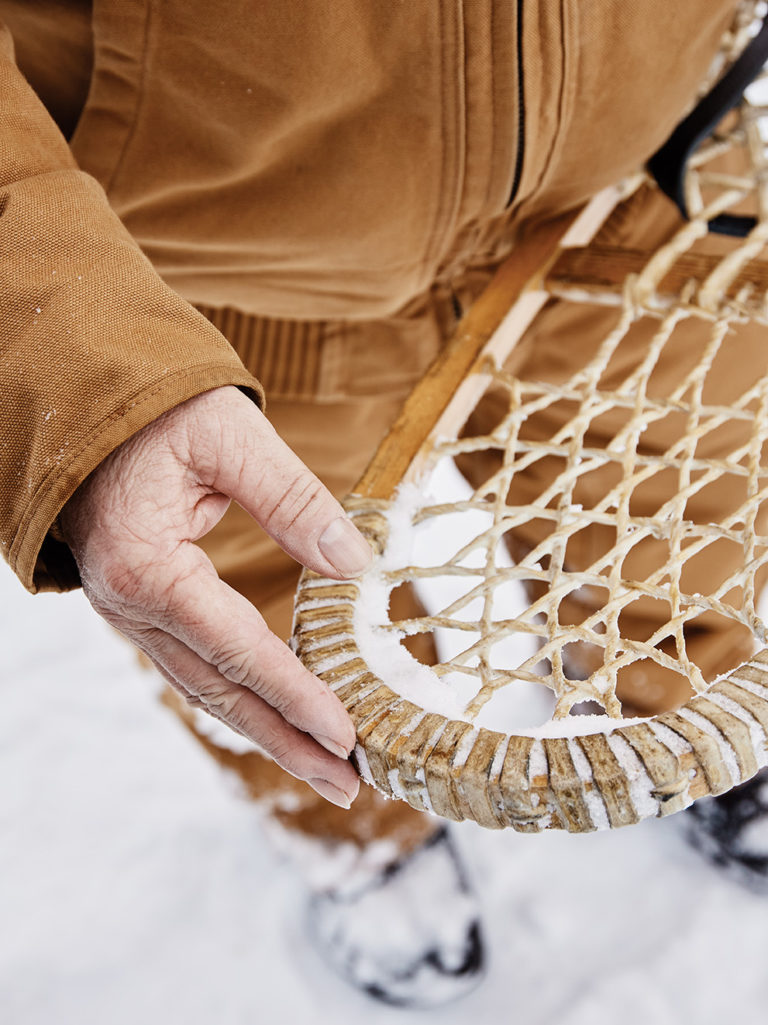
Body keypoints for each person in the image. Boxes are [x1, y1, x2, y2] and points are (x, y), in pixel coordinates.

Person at [0, 0, 762, 1007]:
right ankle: (361, 827)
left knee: (677, 508)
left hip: (649, 177)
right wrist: (80, 358)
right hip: (204, 283)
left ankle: (684, 695)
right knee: (280, 621)